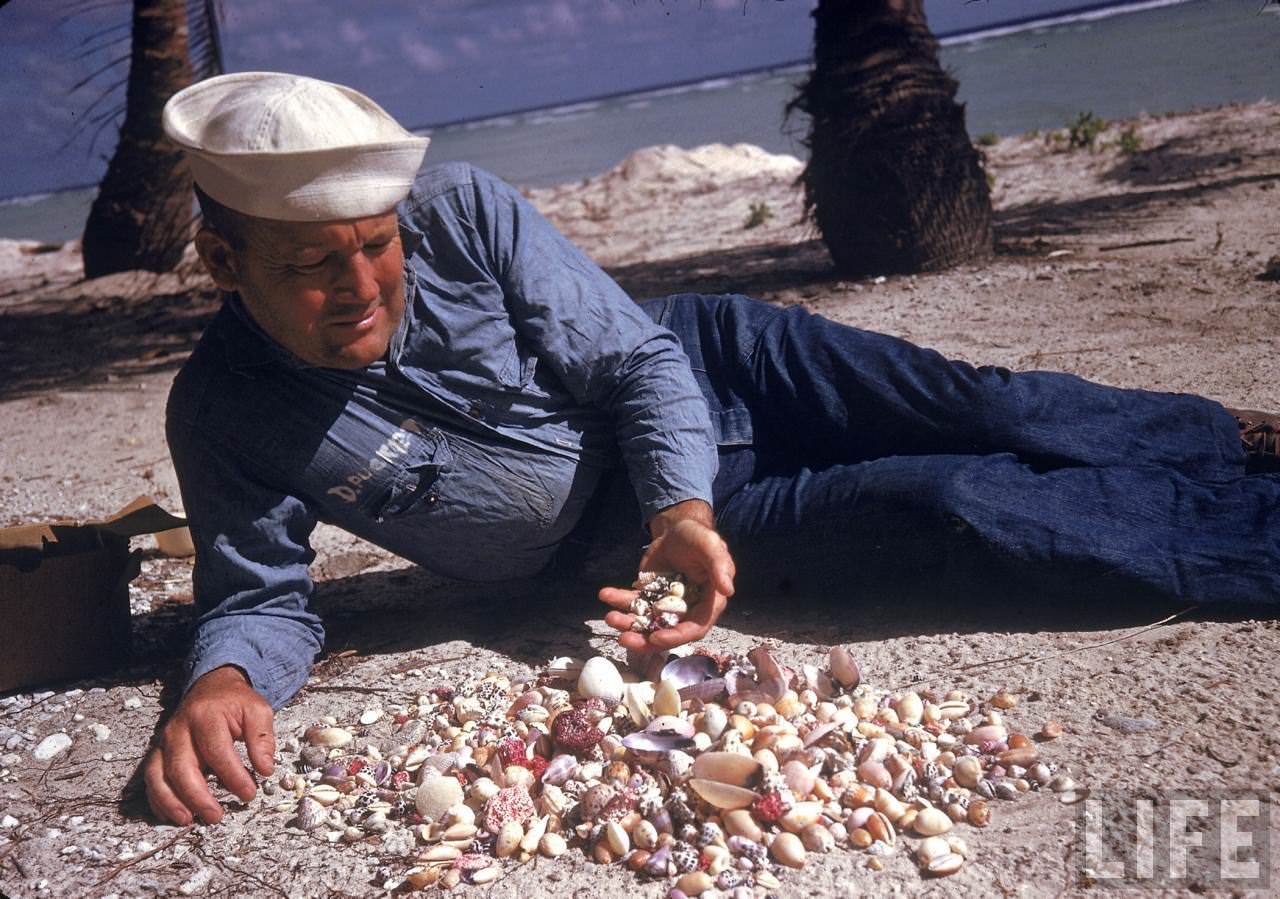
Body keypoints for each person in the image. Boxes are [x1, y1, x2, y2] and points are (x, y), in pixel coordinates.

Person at [143, 71, 1280, 827]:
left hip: (717, 371)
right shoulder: (223, 411)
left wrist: (677, 506)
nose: (358, 290)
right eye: (309, 267)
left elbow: (639, 366)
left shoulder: (460, 210)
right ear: (224, 262)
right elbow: (262, 592)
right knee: (964, 503)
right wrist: (225, 679)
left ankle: (1221, 437)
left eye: (375, 249)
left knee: (990, 410)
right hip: (653, 545)